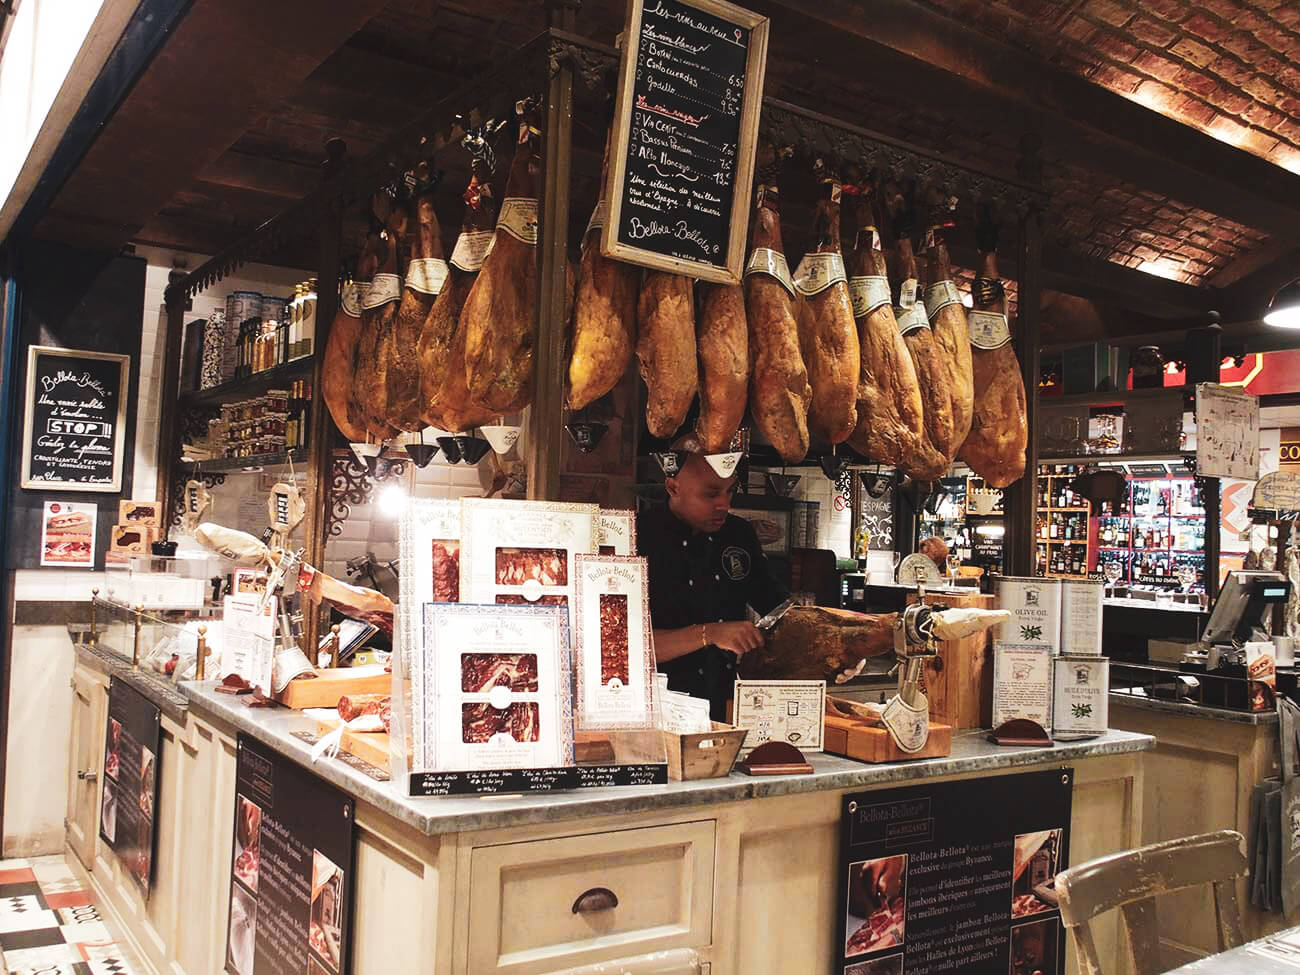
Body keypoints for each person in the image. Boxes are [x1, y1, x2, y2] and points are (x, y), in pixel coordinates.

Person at [637, 436, 789, 720]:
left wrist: (833, 648)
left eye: (729, 492)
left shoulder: (739, 534)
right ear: (673, 487)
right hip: (659, 711)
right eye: (710, 494)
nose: (724, 504)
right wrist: (710, 634)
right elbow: (624, 646)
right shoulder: (638, 538)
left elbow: (778, 608)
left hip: (728, 706)